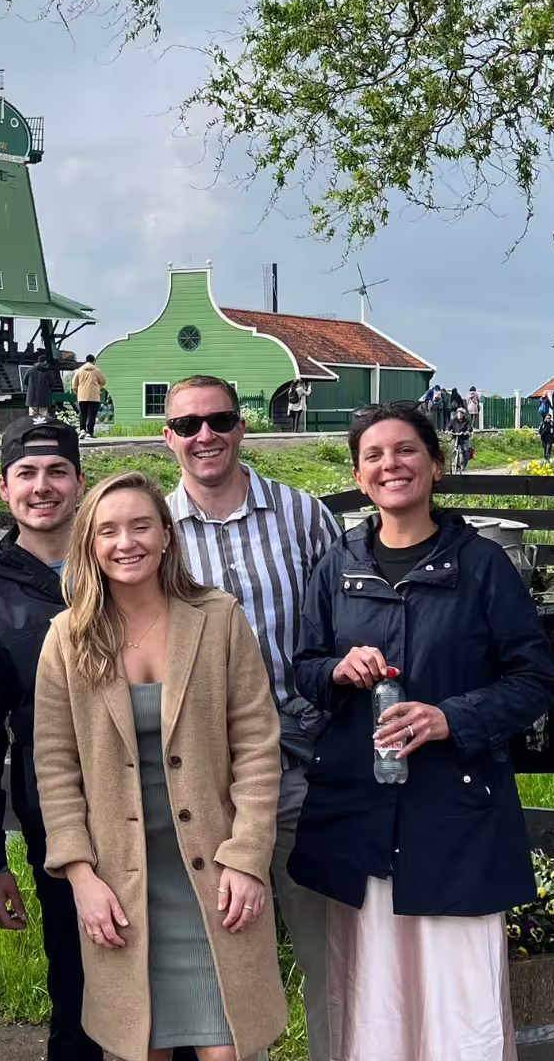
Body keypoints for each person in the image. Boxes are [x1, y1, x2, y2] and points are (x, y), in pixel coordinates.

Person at [289, 403, 554, 1060]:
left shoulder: (482, 566)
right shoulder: (337, 565)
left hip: (453, 817)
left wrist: (450, 718)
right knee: (371, 994)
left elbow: (534, 680)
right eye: (374, 456)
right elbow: (304, 668)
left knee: (455, 995)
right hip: (360, 817)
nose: (391, 465)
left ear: (436, 465)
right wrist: (337, 671)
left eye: (406, 450)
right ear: (359, 477)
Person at [34, 471, 287, 1061]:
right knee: (140, 1047)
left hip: (213, 874)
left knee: (227, 1050)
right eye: (108, 531)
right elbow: (54, 766)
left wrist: (248, 858)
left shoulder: (219, 619)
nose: (127, 542)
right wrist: (81, 878)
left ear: (167, 535)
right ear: (89, 544)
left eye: (141, 526)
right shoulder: (68, 638)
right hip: (121, 883)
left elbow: (257, 745)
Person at [160, 375, 339, 1057]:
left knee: (330, 953)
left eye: (218, 420)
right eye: (187, 425)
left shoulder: (303, 515)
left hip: (299, 764)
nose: (204, 435)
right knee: (228, 961)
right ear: (168, 437)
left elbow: (343, 622)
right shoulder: (156, 531)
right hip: (204, 779)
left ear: (242, 427)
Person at [0, 417, 98, 1060]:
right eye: (27, 474)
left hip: (155, 799)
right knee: (75, 971)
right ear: (4, 489)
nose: (43, 487)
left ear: (80, 482)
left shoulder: (122, 565)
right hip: (58, 812)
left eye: (58, 471)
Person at [73, 355, 107, 438]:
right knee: (92, 415)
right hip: (94, 397)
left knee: (83, 414)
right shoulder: (97, 371)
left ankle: (82, 430)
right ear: (94, 361)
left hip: (82, 397)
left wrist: (78, 391)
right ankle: (90, 432)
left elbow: (74, 384)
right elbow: (103, 382)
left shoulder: (79, 370)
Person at [27, 351, 65, 416]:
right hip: (44, 400)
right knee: (43, 417)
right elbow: (52, 383)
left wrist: (31, 387)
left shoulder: (30, 370)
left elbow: (25, 381)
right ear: (45, 362)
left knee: (32, 417)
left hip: (32, 399)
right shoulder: (49, 371)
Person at [447, 404, 472, 473]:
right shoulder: (453, 420)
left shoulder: (466, 421)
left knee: (465, 450)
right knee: (452, 448)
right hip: (455, 437)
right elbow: (449, 426)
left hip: (464, 438)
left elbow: (469, 428)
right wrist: (448, 431)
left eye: (461, 413)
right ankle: (454, 462)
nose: (459, 415)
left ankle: (463, 465)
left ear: (463, 415)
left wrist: (467, 432)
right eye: (458, 413)